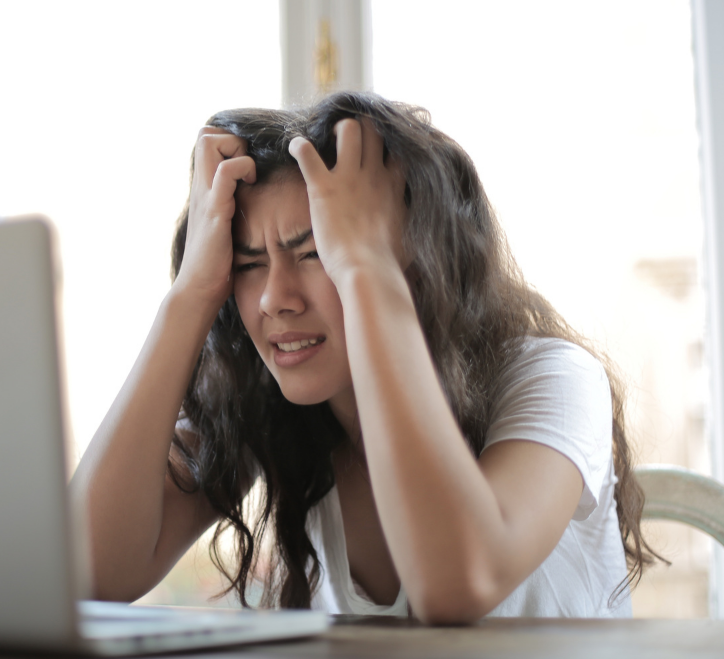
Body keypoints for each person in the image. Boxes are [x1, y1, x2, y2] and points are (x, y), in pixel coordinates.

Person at [70, 91, 658, 623]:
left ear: (416, 258)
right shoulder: (275, 407)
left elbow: (457, 584)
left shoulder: (555, 378)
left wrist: (367, 271)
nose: (275, 298)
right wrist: (190, 294)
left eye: (318, 252)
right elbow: (87, 573)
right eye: (248, 264)